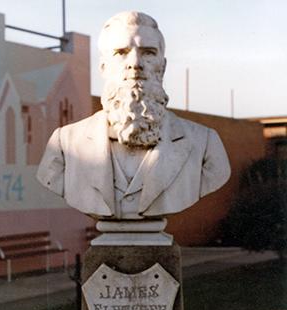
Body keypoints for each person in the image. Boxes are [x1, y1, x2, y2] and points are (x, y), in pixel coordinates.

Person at [37, 11, 231, 220]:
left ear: (162, 67)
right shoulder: (63, 145)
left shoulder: (205, 144)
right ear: (103, 67)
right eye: (121, 52)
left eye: (147, 52)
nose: (135, 64)